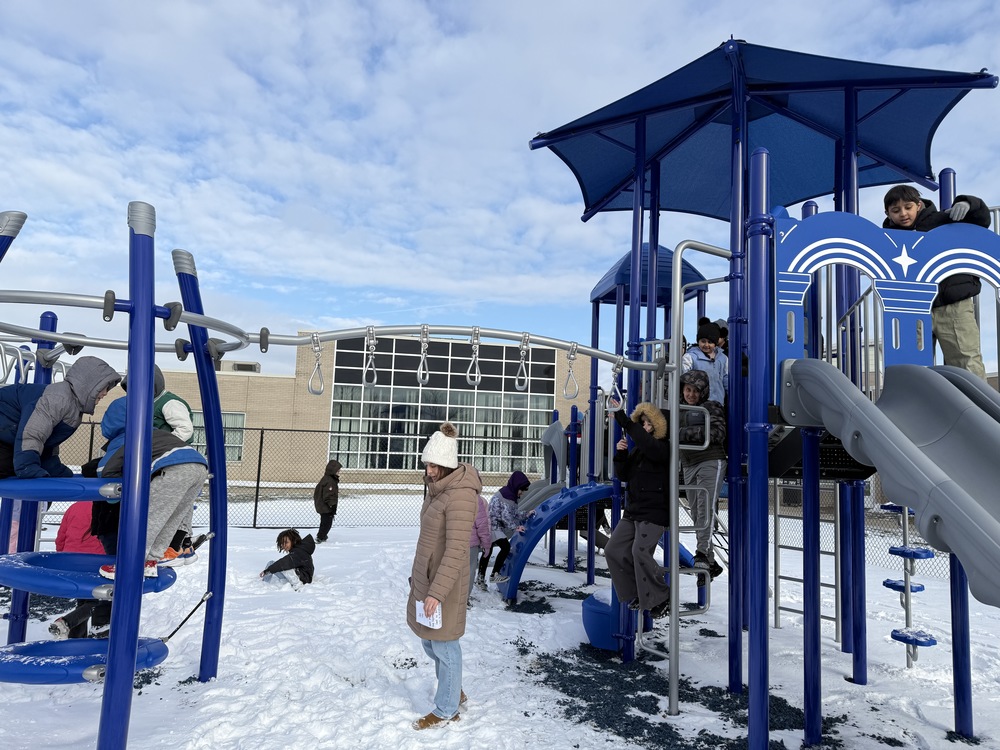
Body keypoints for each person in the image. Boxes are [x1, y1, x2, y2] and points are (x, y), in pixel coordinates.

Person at [407, 422, 479, 730]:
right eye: (427, 463)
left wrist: (436, 592)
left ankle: (447, 708)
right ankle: (454, 687)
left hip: (446, 583)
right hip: (428, 576)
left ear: (448, 465)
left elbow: (456, 550)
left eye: (435, 465)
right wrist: (420, 578)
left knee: (446, 644)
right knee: (428, 641)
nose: (429, 469)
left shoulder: (461, 495)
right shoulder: (436, 488)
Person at [882, 185, 991, 379]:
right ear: (888, 214)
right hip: (913, 309)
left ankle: (978, 407)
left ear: (919, 205)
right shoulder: (888, 239)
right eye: (896, 211)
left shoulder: (943, 221)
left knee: (966, 360)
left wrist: (967, 202)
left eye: (908, 207)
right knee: (912, 367)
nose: (904, 214)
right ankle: (918, 408)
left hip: (953, 304)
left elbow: (981, 220)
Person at [96, 396, 209, 580]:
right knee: (171, 519)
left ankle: (127, 564)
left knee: (148, 519)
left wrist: (114, 496)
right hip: (198, 466)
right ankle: (151, 561)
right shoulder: (156, 432)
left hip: (174, 469)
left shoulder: (127, 437)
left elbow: (105, 469)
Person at [123, 364, 199, 560]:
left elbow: (185, 429)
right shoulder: (146, 405)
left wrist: (162, 446)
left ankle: (172, 545)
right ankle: (173, 545)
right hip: (165, 460)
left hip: (174, 459)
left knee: (167, 507)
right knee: (177, 503)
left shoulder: (168, 402)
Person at [0, 355, 120, 479]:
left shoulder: (75, 407)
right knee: (9, 465)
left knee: (18, 462)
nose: (105, 393)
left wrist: (52, 467)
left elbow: (47, 438)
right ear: (89, 385)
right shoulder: (59, 398)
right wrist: (28, 467)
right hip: (4, 427)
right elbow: (33, 433)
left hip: (10, 436)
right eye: (104, 388)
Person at [605, 402, 671, 619]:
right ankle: (635, 594)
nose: (644, 427)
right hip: (633, 512)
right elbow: (624, 475)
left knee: (639, 552)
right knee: (613, 550)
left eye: (648, 423)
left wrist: (624, 418)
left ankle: (660, 597)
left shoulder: (662, 448)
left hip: (654, 513)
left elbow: (646, 443)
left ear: (658, 426)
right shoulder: (638, 452)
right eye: (642, 423)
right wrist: (621, 455)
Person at [678, 369, 726, 579]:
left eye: (696, 391)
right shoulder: (678, 409)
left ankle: (701, 556)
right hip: (688, 463)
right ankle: (712, 562)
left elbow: (717, 433)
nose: (691, 395)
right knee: (696, 513)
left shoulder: (711, 407)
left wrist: (682, 434)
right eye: (688, 390)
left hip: (709, 459)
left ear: (703, 392)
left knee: (704, 507)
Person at [48, 500, 107, 639]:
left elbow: (61, 537)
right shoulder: (108, 507)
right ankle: (67, 623)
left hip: (72, 561)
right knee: (100, 600)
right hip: (98, 562)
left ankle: (75, 638)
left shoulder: (74, 507)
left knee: (83, 599)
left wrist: (63, 556)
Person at [477, 470, 531, 587]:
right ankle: (494, 574)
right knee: (505, 547)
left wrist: (526, 514)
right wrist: (516, 527)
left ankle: (480, 578)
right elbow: (506, 517)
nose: (521, 493)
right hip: (493, 526)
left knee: (488, 551)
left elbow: (514, 513)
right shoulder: (507, 496)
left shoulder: (509, 494)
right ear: (516, 486)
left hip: (493, 525)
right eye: (521, 490)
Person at [681, 320, 728, 405]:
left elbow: (726, 378)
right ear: (698, 341)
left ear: (715, 343)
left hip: (717, 401)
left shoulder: (723, 358)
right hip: (697, 402)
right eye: (703, 341)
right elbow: (683, 374)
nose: (706, 345)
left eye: (710, 342)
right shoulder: (691, 357)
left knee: (716, 418)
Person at [468, 488, 491, 606]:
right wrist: (486, 544)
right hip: (470, 543)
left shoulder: (451, 493)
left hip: (451, 541)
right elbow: (482, 525)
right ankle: (464, 599)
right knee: (470, 570)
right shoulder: (477, 500)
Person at [313, 459, 341, 544]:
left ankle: (323, 535)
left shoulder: (327, 479)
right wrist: (332, 506)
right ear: (333, 471)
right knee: (327, 523)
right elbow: (329, 495)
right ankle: (320, 537)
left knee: (325, 521)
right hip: (325, 506)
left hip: (322, 505)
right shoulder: (330, 481)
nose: (339, 472)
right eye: (338, 471)